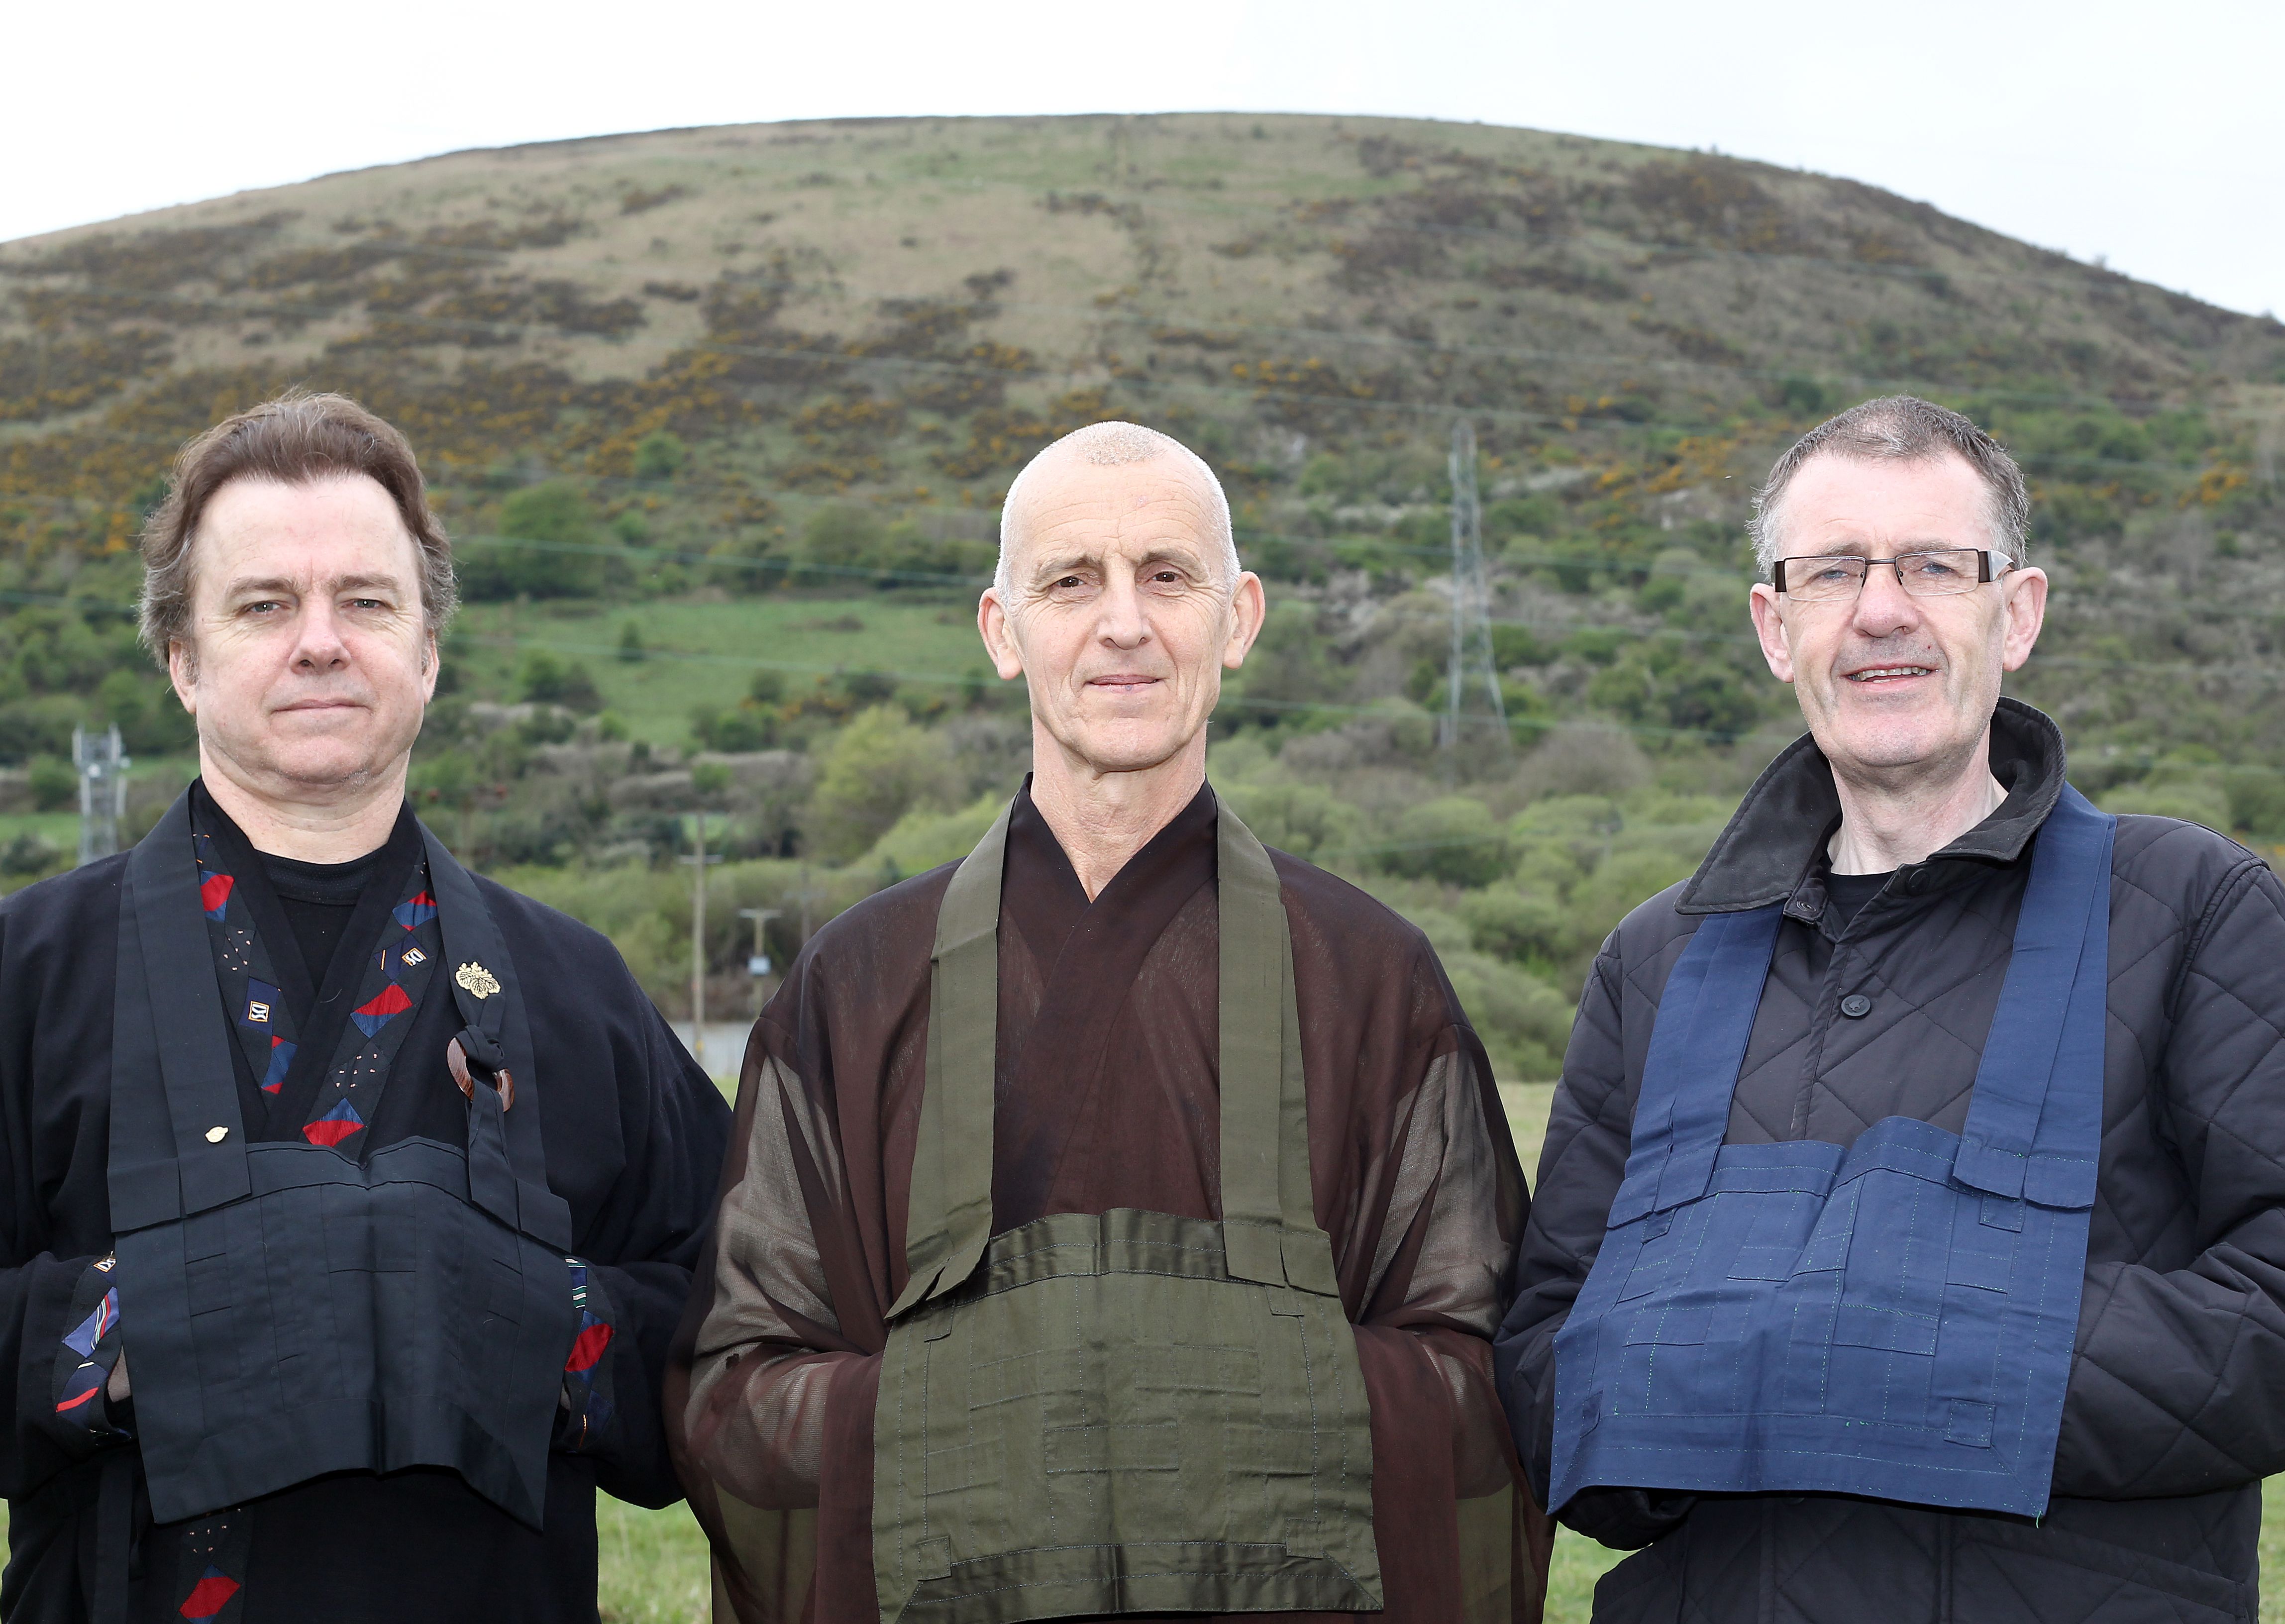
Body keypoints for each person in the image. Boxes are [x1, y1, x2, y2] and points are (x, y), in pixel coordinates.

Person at [673, 420, 1548, 1624]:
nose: (1123, 624)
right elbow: (736, 1390)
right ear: (1001, 630)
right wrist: (991, 1406)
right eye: (1071, 580)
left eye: (1167, 576)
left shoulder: (1372, 978)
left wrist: (1205, 1388)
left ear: (1238, 619)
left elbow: (1485, 1376)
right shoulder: (857, 984)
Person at [1495, 395, 2285, 1621]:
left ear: (2014, 612)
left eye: (1932, 565)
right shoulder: (1654, 961)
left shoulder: (2192, 909)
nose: (1880, 610)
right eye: (1831, 572)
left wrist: (1866, 1357)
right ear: (1774, 625)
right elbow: (1552, 1357)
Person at [0, 392, 732, 1623]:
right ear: (184, 658)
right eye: (265, 605)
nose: (322, 642)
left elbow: (746, 1328)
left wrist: (547, 1323)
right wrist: (127, 1333)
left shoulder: (576, 988)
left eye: (367, 602)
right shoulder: (29, 972)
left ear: (429, 654)